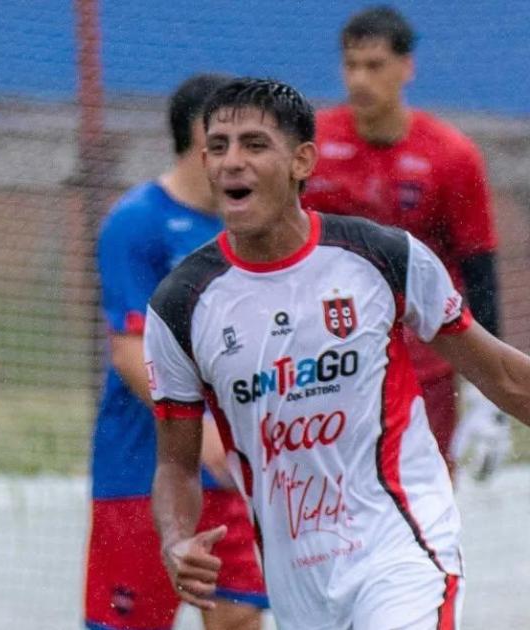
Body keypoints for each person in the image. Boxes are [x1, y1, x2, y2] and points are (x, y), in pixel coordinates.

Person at [147, 76, 530, 628]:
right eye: (218, 147)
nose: (232, 162)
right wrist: (177, 538)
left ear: (302, 161)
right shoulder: (181, 304)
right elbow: (175, 463)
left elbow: (500, 372)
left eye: (254, 145)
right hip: (299, 585)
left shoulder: (382, 257)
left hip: (402, 547)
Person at [84, 73, 266, 630]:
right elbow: (131, 353)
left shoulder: (255, 227)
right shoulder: (138, 222)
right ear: (200, 134)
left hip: (230, 475)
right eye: (240, 136)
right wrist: (200, 430)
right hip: (143, 473)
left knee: (239, 615)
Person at [302, 5, 508, 480]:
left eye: (374, 66)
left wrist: (485, 392)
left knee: (425, 497)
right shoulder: (310, 148)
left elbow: (479, 269)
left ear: (406, 67)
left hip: (425, 365)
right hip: (326, 358)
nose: (359, 80)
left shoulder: (452, 156)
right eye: (351, 65)